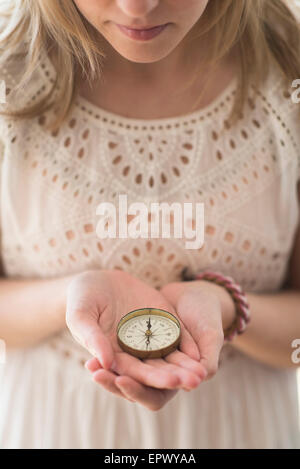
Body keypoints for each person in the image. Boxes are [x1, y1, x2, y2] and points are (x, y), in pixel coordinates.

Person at [0, 0, 299, 449]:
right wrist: (72, 297)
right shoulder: (9, 72)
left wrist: (229, 308)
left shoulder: (287, 71)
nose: (137, 6)